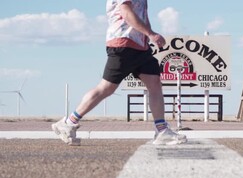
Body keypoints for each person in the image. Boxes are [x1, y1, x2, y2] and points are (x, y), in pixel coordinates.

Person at [52, 0, 187, 146]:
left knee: (154, 83)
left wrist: (147, 36)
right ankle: (68, 123)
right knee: (106, 88)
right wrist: (151, 34)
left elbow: (140, 15)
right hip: (123, 43)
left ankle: (161, 131)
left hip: (140, 47)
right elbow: (125, 11)